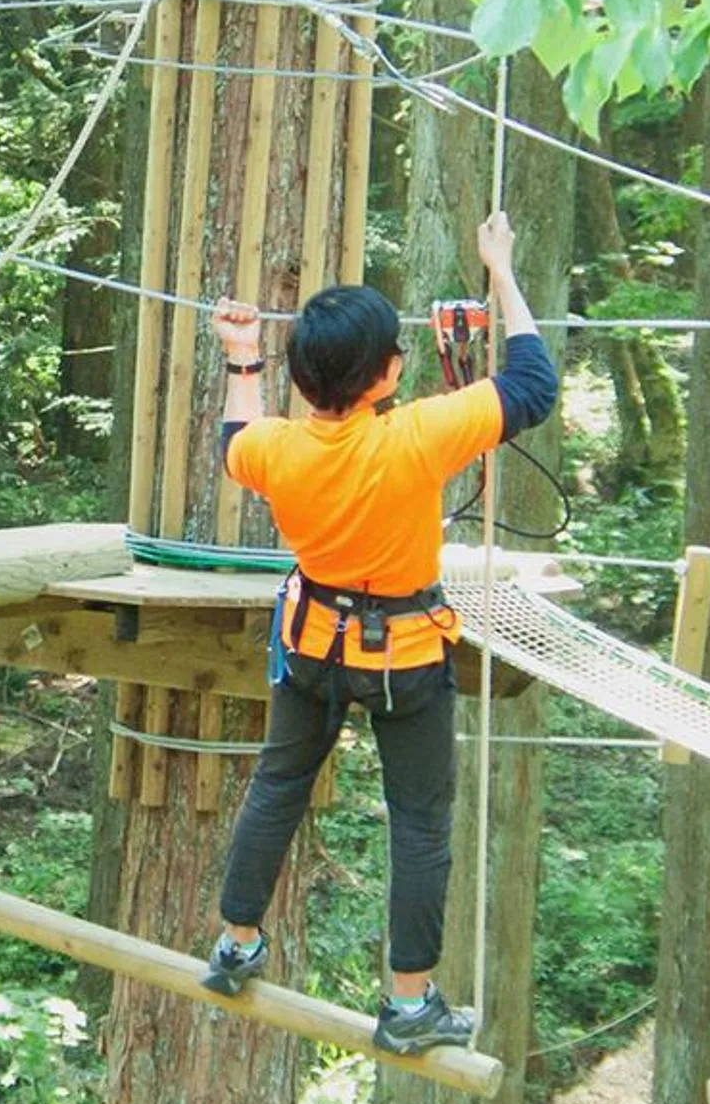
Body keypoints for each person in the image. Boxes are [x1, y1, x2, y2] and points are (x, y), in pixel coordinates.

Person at [198, 211, 559, 1054]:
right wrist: (500, 270)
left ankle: (237, 942)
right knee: (419, 821)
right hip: (403, 659)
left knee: (277, 789)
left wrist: (240, 355)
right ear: (387, 374)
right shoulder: (418, 437)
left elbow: (233, 439)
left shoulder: (279, 450)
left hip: (314, 650)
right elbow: (534, 387)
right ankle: (406, 1002)